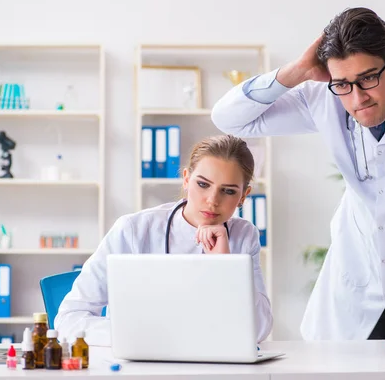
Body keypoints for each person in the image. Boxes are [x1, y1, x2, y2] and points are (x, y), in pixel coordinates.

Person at [212, 7, 385, 345]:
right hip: (351, 296)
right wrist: (296, 71)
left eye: (367, 79)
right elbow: (229, 119)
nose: (357, 98)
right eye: (343, 85)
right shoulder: (324, 95)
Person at [55, 135, 273, 346]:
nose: (212, 200)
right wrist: (139, 335)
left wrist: (225, 267)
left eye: (228, 191)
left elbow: (260, 329)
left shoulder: (244, 236)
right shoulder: (133, 230)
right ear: (187, 179)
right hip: (139, 363)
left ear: (243, 196)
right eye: (203, 184)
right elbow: (69, 319)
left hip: (210, 363)